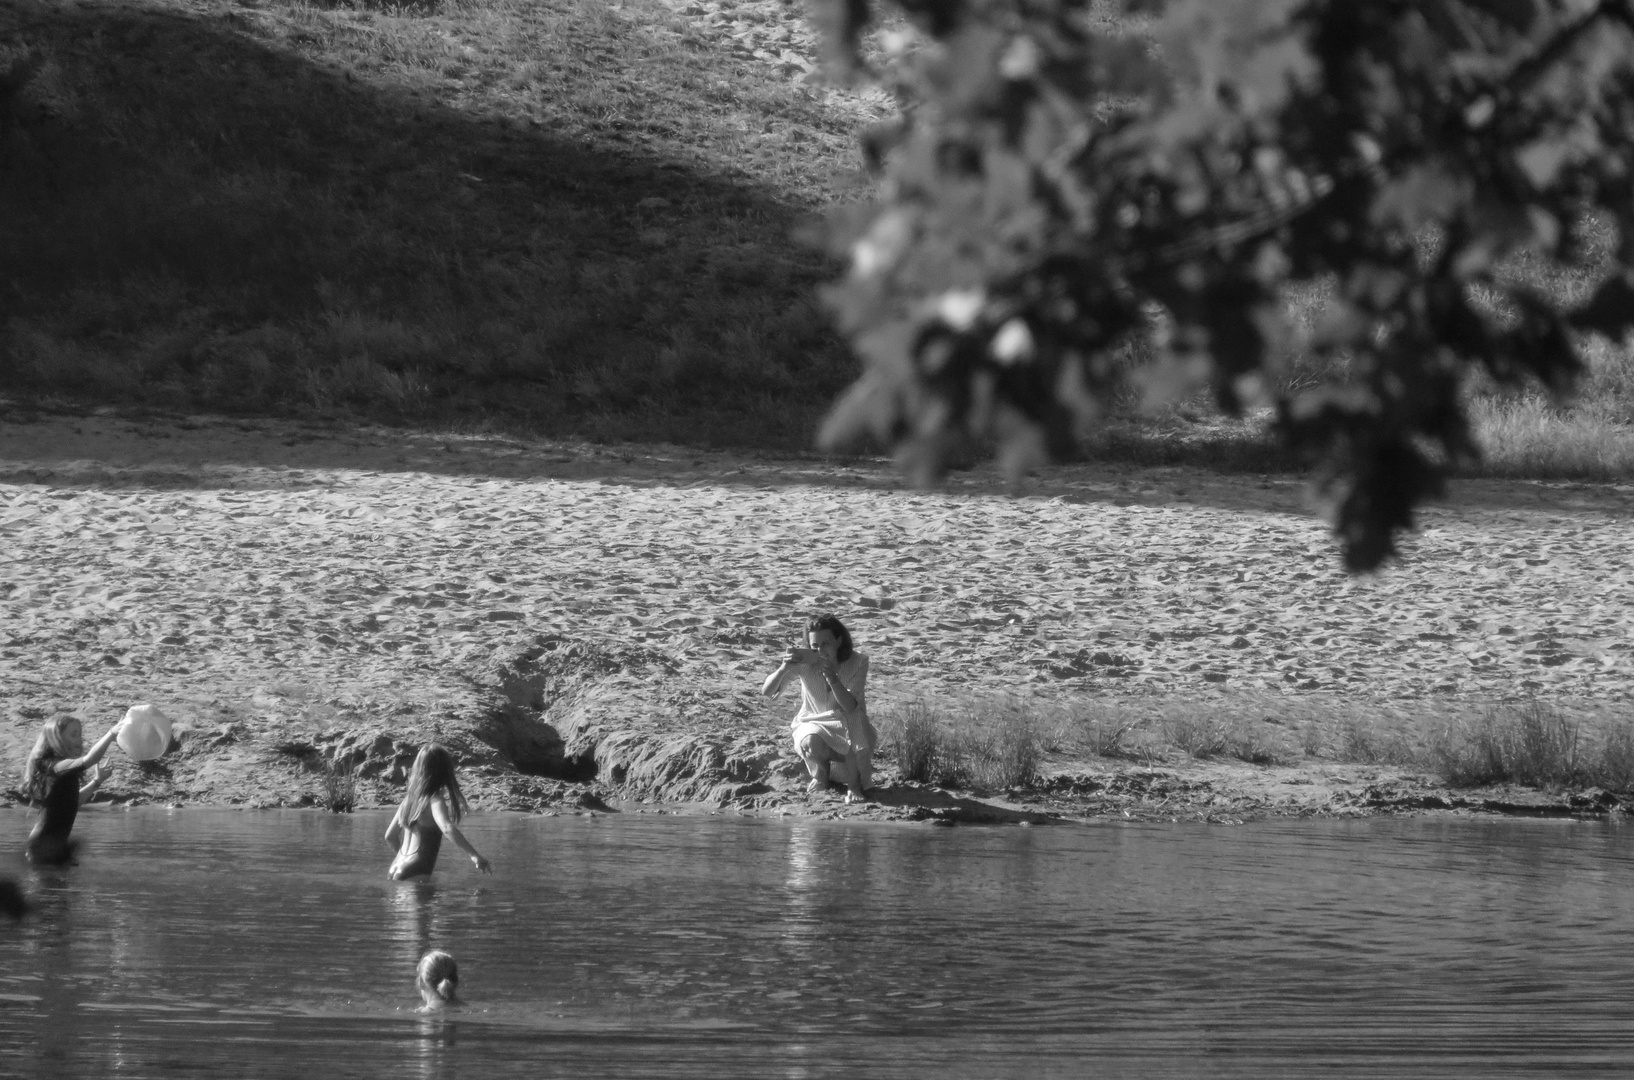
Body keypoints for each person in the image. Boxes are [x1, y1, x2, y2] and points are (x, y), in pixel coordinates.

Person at [761, 614, 876, 803]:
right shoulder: (806, 663)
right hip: (815, 722)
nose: (820, 651)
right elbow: (767, 691)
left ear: (838, 641)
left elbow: (850, 706)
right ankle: (821, 773)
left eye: (826, 644)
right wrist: (783, 668)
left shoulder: (858, 662)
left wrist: (833, 678)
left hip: (850, 721)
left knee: (853, 724)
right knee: (810, 739)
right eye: (815, 646)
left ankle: (854, 785)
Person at [22, 714, 123, 865]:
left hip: (58, 848)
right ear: (57, 739)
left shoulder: (64, 770)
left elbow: (73, 803)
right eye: (73, 734)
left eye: (80, 734)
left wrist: (97, 781)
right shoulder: (53, 766)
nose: (80, 739)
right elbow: (90, 760)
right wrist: (111, 734)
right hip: (42, 847)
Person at [385, 745, 493, 880]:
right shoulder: (435, 800)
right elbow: (447, 828)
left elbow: (390, 836)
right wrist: (474, 855)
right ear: (444, 771)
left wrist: (403, 864)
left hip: (395, 866)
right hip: (417, 868)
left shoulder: (408, 800)